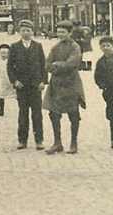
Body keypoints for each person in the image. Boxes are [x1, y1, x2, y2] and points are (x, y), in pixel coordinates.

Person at [42, 20, 86, 155]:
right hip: (56, 85)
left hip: (71, 84)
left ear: (69, 32)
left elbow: (72, 63)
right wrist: (58, 65)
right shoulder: (55, 48)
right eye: (58, 32)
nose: (60, 34)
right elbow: (47, 65)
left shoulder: (75, 47)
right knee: (54, 114)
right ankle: (57, 143)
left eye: (63, 32)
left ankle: (74, 143)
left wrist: (57, 65)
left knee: (73, 114)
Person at [7, 19, 47, 150]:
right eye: (23, 30)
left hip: (35, 86)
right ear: (19, 32)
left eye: (28, 30)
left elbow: (43, 65)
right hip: (22, 86)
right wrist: (14, 81)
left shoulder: (38, 46)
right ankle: (22, 140)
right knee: (23, 114)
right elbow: (10, 67)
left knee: (37, 114)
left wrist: (43, 81)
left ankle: (39, 140)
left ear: (32, 31)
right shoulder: (14, 47)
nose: (26, 33)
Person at [0, 44, 15, 117]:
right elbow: (0, 72)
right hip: (4, 82)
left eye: (5, 53)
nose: (3, 55)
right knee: (1, 95)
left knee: (17, 95)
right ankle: (1, 111)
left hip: (12, 81)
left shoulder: (11, 62)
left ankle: (23, 109)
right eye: (1, 53)